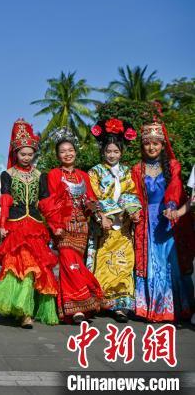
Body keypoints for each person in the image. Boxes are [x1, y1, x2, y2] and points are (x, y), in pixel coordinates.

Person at [0, 119, 59, 328]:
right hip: (15, 226)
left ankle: (26, 309)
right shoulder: (8, 174)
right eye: (22, 154)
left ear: (34, 154)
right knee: (19, 268)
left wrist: (54, 222)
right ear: (15, 154)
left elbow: (45, 201)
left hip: (35, 227)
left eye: (29, 154)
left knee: (35, 270)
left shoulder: (40, 175)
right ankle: (23, 312)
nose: (26, 157)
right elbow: (4, 199)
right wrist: (3, 223)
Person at [132, 122, 194, 322]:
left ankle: (174, 307)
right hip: (147, 222)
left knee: (171, 263)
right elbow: (133, 195)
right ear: (142, 146)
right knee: (151, 263)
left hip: (168, 218)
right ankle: (151, 308)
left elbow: (175, 185)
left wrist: (172, 205)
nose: (152, 148)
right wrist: (134, 212)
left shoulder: (173, 166)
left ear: (162, 145)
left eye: (156, 144)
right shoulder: (136, 169)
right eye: (147, 144)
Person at [43, 128, 103, 324]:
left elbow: (91, 199)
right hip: (63, 227)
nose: (67, 154)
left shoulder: (83, 176)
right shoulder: (53, 174)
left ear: (75, 152)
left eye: (70, 150)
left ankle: (80, 305)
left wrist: (94, 208)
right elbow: (50, 203)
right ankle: (77, 306)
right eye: (62, 151)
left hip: (82, 227)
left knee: (75, 265)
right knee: (70, 265)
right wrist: (55, 225)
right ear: (57, 155)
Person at [87, 119, 141, 322]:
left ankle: (122, 306)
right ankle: (103, 301)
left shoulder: (127, 172)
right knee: (104, 263)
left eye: (116, 152)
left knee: (125, 264)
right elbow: (94, 196)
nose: (112, 155)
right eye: (108, 151)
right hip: (105, 225)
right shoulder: (95, 171)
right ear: (103, 151)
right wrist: (103, 216)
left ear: (121, 152)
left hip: (124, 226)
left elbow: (131, 192)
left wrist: (134, 210)